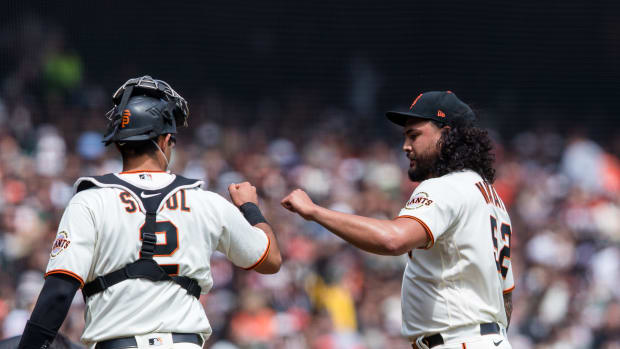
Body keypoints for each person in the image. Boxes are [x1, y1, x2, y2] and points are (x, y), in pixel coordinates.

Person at [18, 76, 281, 349]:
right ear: (166, 141)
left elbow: (59, 293)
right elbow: (270, 259)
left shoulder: (89, 201)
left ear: (119, 142)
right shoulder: (206, 201)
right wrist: (250, 207)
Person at [282, 91, 514, 349]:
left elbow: (393, 239)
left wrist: (315, 212)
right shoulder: (490, 198)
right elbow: (506, 299)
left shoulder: (446, 187)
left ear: (446, 135)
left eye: (414, 135)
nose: (406, 146)